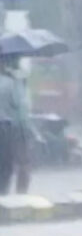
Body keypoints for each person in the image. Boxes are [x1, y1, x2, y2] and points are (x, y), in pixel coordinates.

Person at [0, 54, 32, 195]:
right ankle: (4, 191)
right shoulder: (10, 83)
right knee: (7, 162)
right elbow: (19, 105)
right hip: (8, 127)